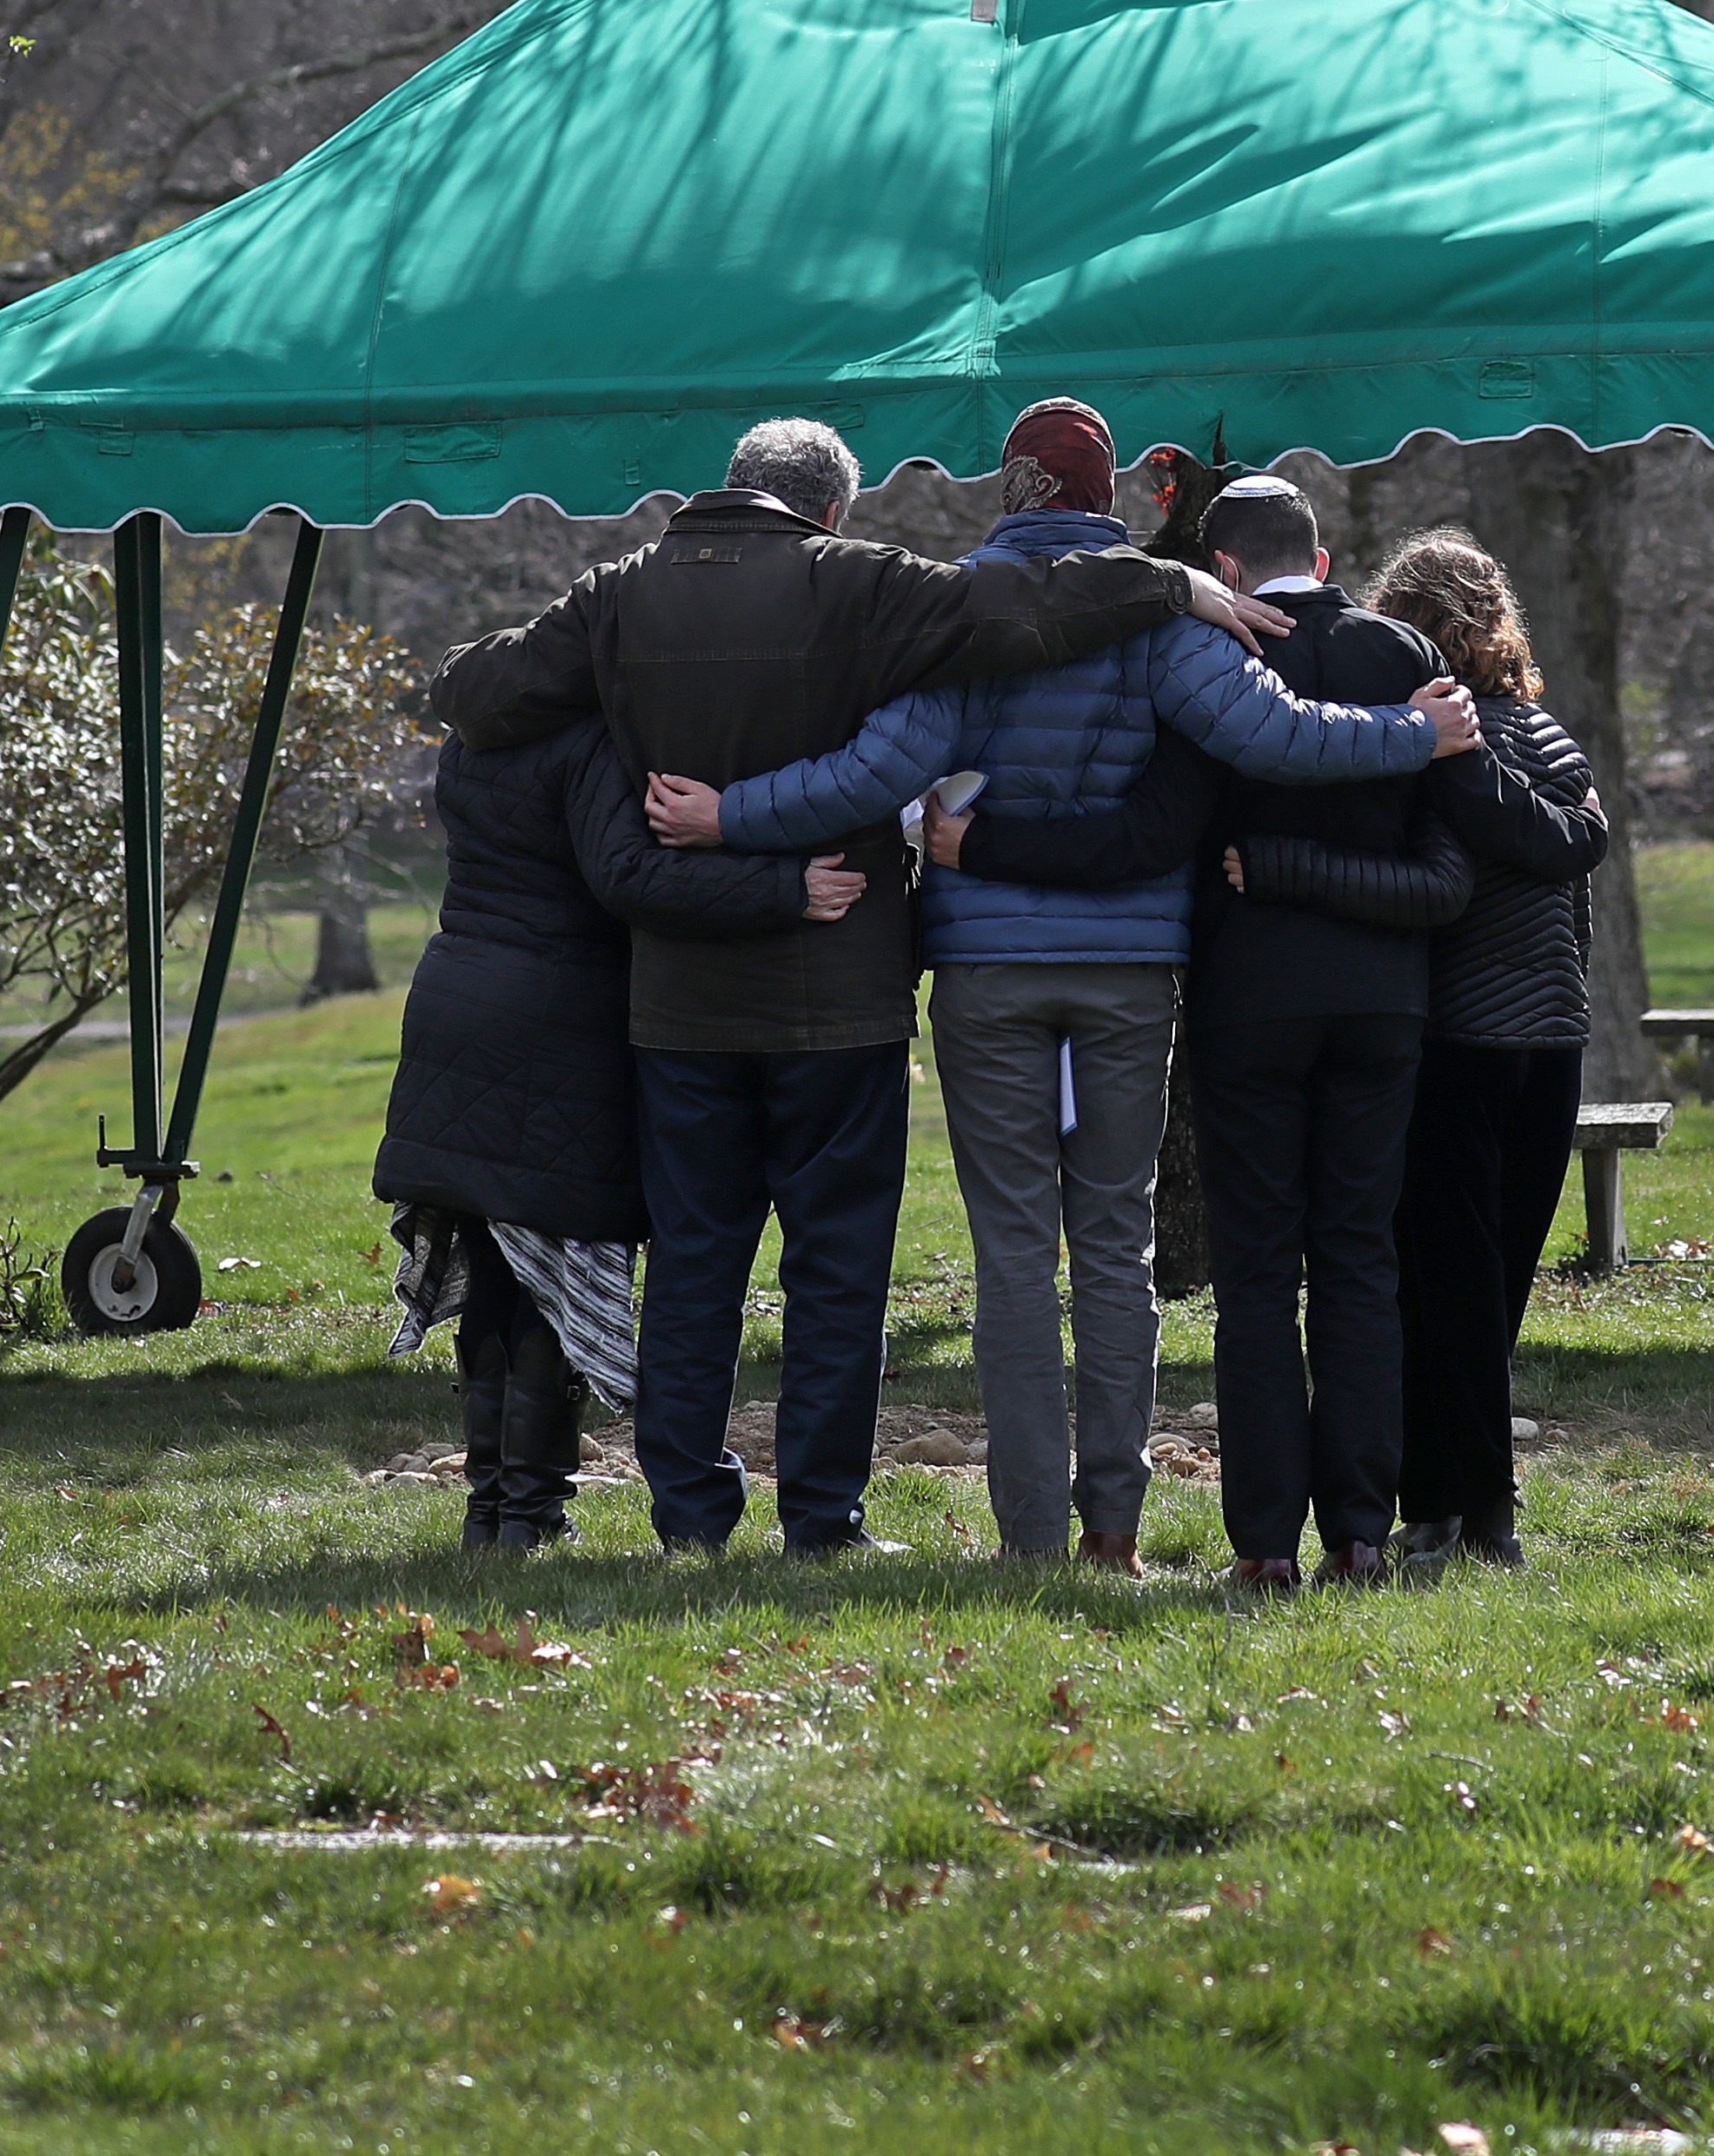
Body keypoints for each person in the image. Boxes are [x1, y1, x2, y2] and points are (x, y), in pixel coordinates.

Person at [428, 416, 1299, 1558]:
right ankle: (823, 1519)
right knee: (835, 1270)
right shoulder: (861, 582)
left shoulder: (618, 594)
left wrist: (576, 687)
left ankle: (690, 1516)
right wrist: (1169, 579)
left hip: (680, 996)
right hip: (839, 994)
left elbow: (479, 689)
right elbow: (1021, 608)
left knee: (695, 1265)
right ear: (831, 508)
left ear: (731, 487)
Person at [653, 399, 1471, 1573]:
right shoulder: (1160, 612)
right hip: (1131, 972)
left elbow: (874, 769)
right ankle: (1116, 1532)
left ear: (1009, 492)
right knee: (1115, 1241)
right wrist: (1410, 733)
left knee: (1013, 1255)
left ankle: (1030, 1539)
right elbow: (1278, 735)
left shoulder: (958, 611)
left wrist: (731, 814)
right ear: (1105, 500)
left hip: (987, 972)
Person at [370, 716, 852, 1551]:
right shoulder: (586, 742)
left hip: (457, 999)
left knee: (497, 1267)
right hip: (554, 1023)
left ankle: (491, 1515)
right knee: (549, 1280)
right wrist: (784, 890)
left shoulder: (474, 735)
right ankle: (527, 1515)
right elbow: (627, 877)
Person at [1259, 529, 1613, 1576]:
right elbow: (1576, 865)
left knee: (1445, 1284)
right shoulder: (1548, 734)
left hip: (1463, 1036)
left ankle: (1470, 1513)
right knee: (1492, 1285)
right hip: (1554, 1038)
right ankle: (1451, 1498)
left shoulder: (1439, 748)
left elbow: (1472, 877)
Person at [1174, 474, 1480, 1591]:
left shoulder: (1212, 658)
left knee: (1257, 1277)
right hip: (1380, 996)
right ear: (1329, 553)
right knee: (1358, 1260)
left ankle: (1263, 1543)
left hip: (1245, 998)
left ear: (1227, 572)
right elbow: (1448, 854)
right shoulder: (1400, 656)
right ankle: (1357, 1526)